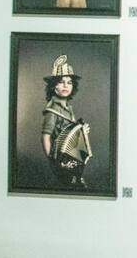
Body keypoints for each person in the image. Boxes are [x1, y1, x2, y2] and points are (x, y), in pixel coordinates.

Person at [41, 55, 91, 188]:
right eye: (61, 82)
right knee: (69, 186)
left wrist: (82, 131)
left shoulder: (68, 109)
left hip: (72, 159)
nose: (65, 86)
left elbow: (70, 132)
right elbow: (45, 137)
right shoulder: (52, 110)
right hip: (61, 161)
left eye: (69, 83)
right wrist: (53, 161)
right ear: (53, 86)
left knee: (78, 185)